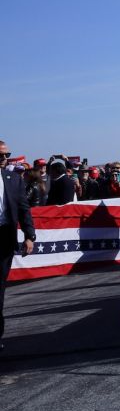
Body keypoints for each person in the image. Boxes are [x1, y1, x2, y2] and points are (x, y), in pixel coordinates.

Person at [1, 140, 37, 351]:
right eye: (0, 155)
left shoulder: (14, 179)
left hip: (3, 238)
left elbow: (24, 209)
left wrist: (29, 235)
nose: (4, 158)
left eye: (6, 155)